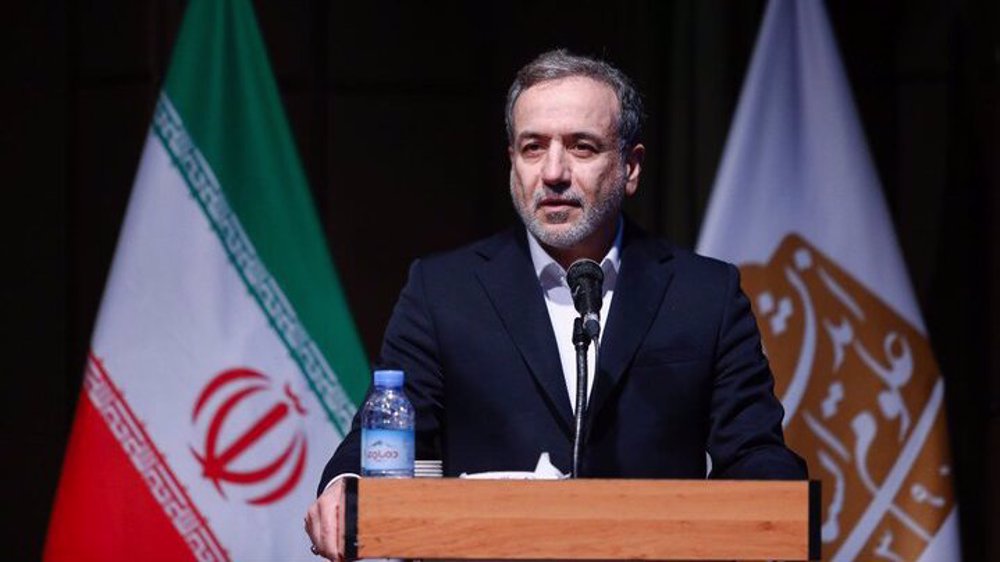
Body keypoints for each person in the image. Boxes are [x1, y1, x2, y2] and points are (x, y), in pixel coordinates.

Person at [304, 49, 806, 560]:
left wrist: (778, 512)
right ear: (512, 164)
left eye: (582, 147)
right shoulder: (442, 291)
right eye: (533, 148)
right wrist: (348, 483)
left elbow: (754, 453)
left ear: (630, 167)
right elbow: (388, 433)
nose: (554, 172)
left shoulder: (704, 294)